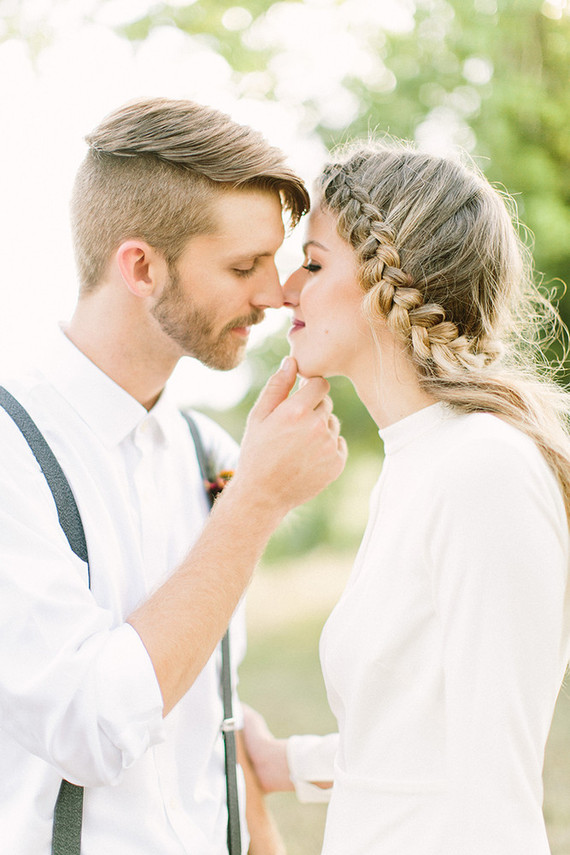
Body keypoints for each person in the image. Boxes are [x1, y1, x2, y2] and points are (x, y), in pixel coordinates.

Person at [0, 97, 347, 855]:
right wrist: (256, 503)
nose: (274, 293)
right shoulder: (10, 451)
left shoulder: (205, 448)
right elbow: (88, 725)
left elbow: (207, 699)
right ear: (141, 267)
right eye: (243, 266)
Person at [242, 139, 570, 854]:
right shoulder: (421, 462)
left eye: (314, 263)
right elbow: (418, 743)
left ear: (386, 282)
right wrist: (283, 763)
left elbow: (493, 785)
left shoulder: (484, 469)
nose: (287, 289)